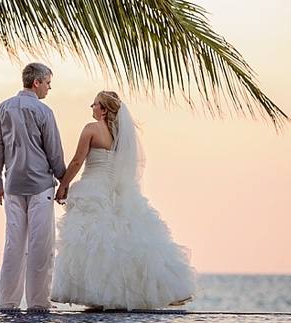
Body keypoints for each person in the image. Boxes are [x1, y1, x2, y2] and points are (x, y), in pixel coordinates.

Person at [51, 91, 197, 310]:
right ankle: (122, 295)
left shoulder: (91, 129)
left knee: (95, 245)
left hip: (93, 189)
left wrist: (63, 186)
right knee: (121, 243)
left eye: (95, 104)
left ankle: (99, 296)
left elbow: (76, 161)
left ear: (104, 110)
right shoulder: (121, 135)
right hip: (116, 191)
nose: (92, 107)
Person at [0, 62, 67, 311]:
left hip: (12, 185)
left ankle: (8, 302)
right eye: (47, 83)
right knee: (39, 247)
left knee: (13, 245)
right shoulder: (44, 111)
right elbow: (53, 151)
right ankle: (38, 303)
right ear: (36, 82)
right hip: (40, 187)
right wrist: (63, 181)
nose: (49, 88)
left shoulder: (2, 109)